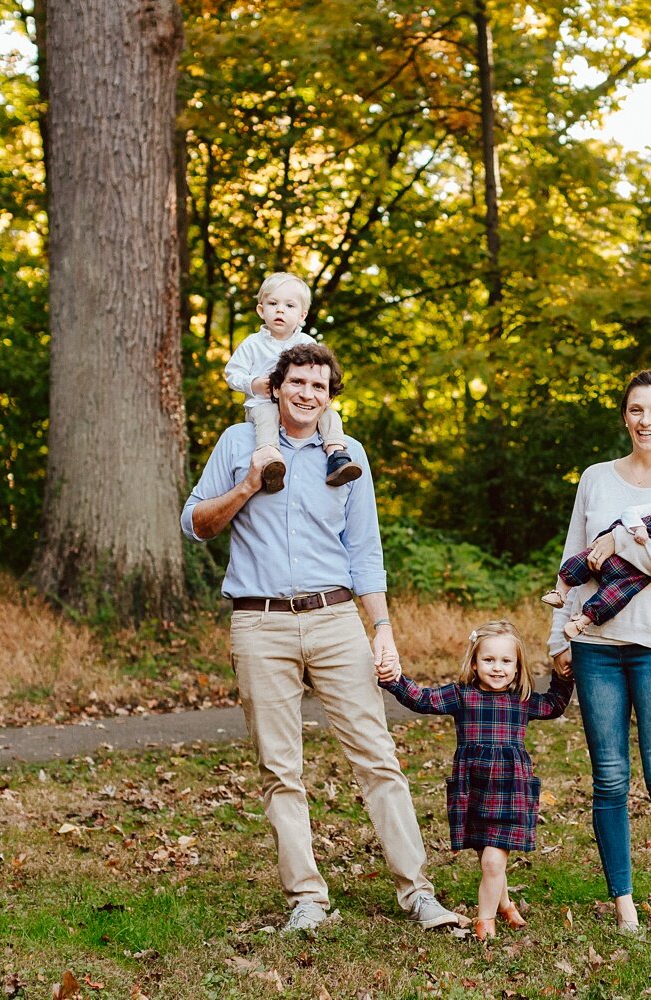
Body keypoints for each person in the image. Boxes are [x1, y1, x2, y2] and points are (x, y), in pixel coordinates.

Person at [181, 341, 462, 935]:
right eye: (297, 382)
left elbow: (365, 552)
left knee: (378, 758)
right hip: (259, 623)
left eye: (319, 386)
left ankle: (417, 891)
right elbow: (196, 524)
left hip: (337, 622)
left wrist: (382, 630)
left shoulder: (347, 455)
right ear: (276, 387)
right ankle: (307, 898)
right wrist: (247, 486)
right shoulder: (239, 443)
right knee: (280, 770)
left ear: (330, 396)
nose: (307, 393)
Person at [547, 367, 651, 933]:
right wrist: (556, 638)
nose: (646, 420)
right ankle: (625, 906)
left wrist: (619, 540)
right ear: (625, 416)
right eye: (636, 410)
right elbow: (574, 554)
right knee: (609, 778)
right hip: (593, 645)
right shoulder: (596, 478)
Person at [376, 620, 574, 940]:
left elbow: (554, 704)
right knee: (487, 856)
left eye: (506, 661)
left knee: (494, 860)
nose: (498, 668)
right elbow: (422, 699)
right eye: (489, 660)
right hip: (474, 788)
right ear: (474, 662)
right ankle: (506, 905)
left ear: (518, 666)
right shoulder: (461, 696)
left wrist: (564, 675)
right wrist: (395, 680)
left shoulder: (521, 699)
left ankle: (486, 923)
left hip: (510, 788)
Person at [222, 272, 360, 492]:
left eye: (289, 306)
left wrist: (318, 396)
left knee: (329, 415)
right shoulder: (253, 344)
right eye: (273, 303)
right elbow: (231, 374)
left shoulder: (307, 343)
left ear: (302, 316)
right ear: (261, 310)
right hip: (263, 404)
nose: (280, 310)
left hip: (300, 407)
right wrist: (253, 384)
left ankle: (337, 456)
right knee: (267, 416)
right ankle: (270, 463)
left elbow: (319, 376)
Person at [541, 484, 651, 639]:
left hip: (627, 578)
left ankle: (580, 623)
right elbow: (629, 513)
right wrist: (640, 528)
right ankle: (560, 592)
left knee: (612, 599)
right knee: (581, 561)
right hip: (606, 557)